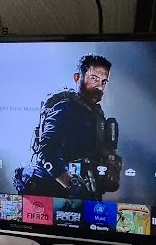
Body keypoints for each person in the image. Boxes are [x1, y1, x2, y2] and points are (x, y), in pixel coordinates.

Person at [14, 54, 121, 198]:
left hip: (85, 192)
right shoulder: (65, 108)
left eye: (104, 81)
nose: (99, 87)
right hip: (59, 194)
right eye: (94, 79)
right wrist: (71, 184)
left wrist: (111, 163)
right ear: (77, 78)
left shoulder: (96, 115)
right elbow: (47, 152)